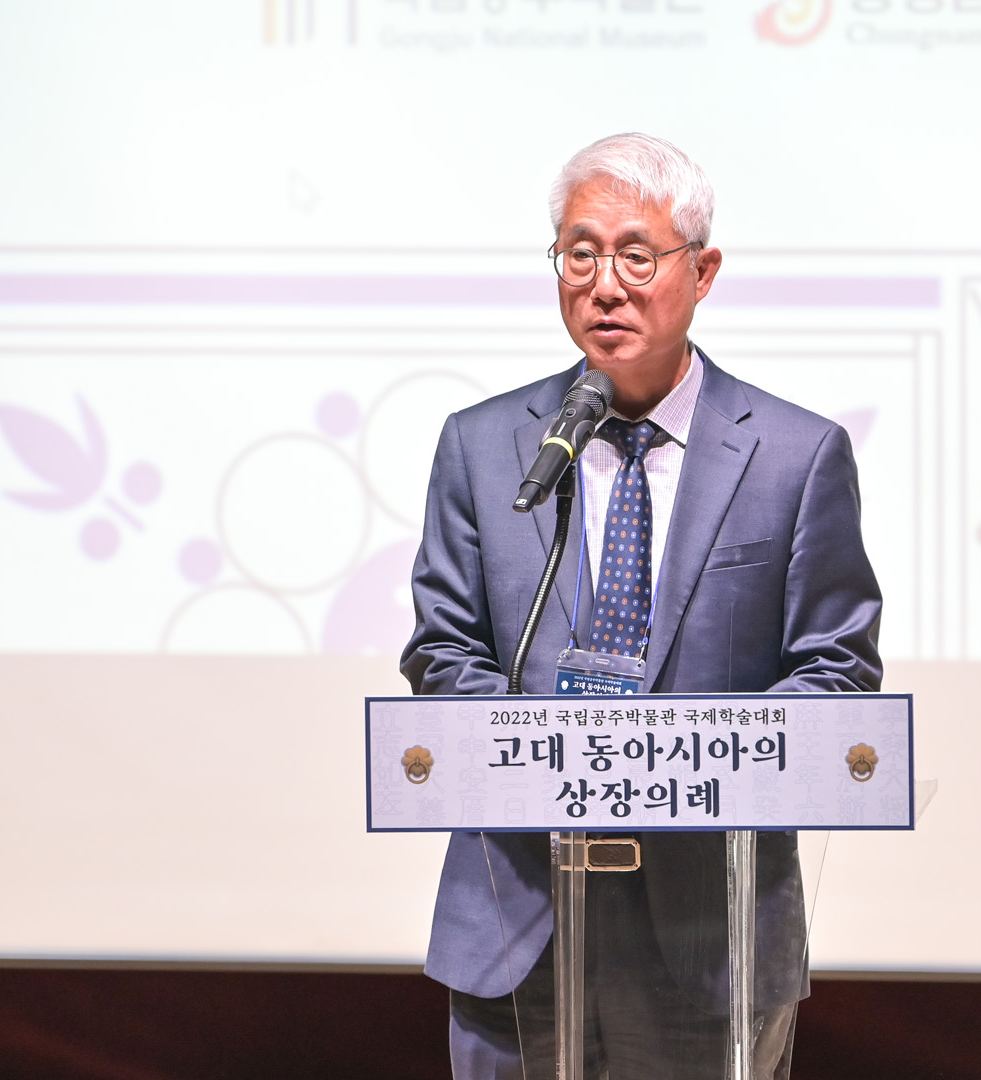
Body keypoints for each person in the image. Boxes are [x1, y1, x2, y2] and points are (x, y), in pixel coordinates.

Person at [401, 133, 882, 1080]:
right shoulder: (483, 446)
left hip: (710, 929)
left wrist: (674, 763)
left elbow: (836, 669)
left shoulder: (795, 455)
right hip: (520, 921)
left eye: (635, 255)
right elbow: (444, 650)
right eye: (579, 255)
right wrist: (556, 758)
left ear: (702, 271)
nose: (604, 287)